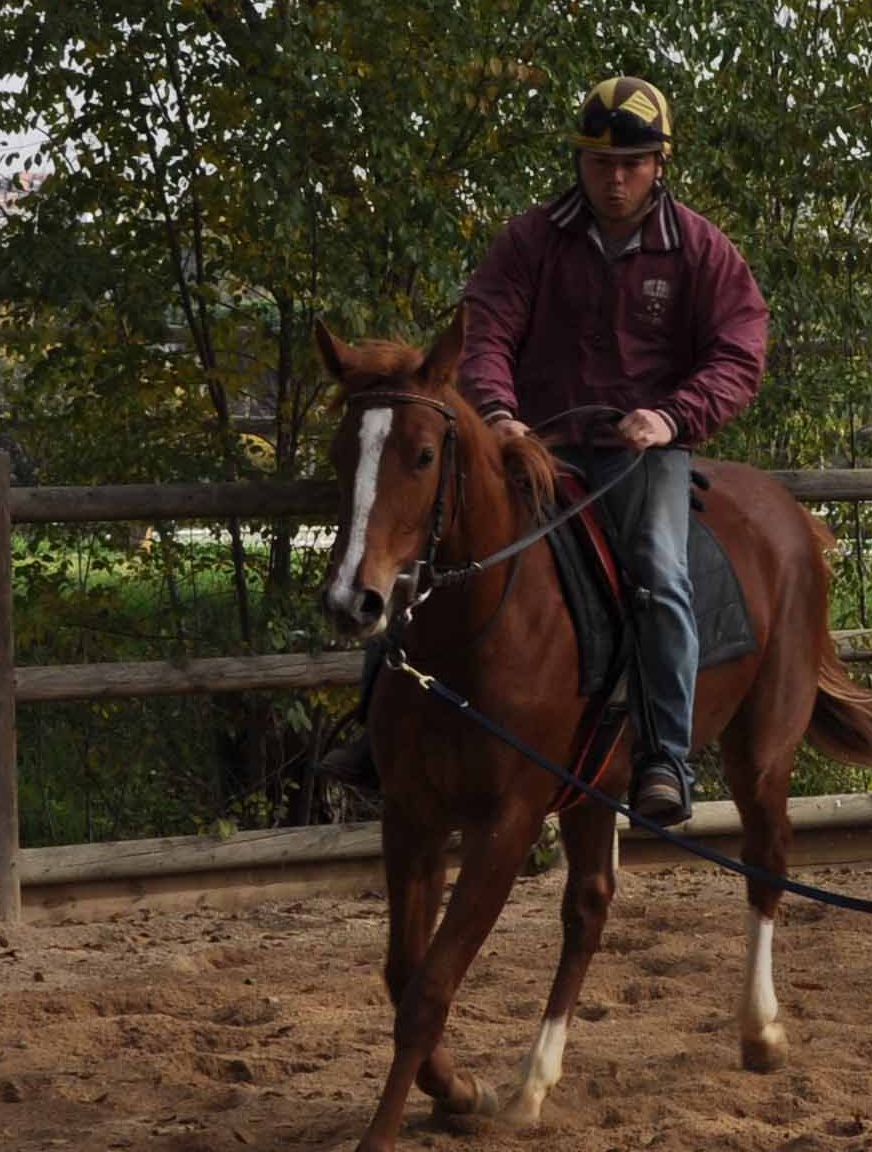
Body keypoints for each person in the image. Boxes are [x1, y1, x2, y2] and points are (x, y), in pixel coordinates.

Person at [331, 74, 772, 828]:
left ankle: (666, 754)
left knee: (661, 575)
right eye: (601, 163)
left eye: (632, 162)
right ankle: (378, 734)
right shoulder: (532, 240)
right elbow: (488, 328)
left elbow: (739, 353)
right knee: (427, 554)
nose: (616, 177)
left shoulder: (700, 249)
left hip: (641, 455)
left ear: (660, 163)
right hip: (534, 448)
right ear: (580, 164)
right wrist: (498, 414)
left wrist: (672, 416)